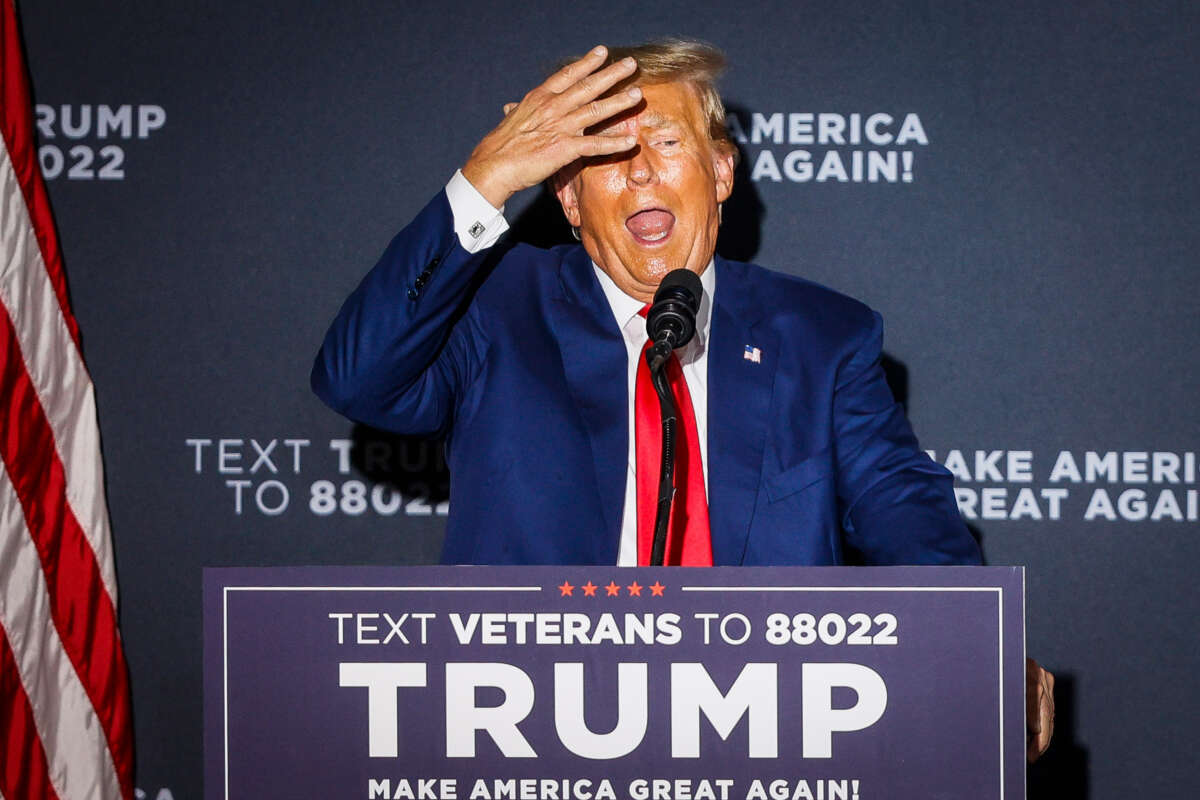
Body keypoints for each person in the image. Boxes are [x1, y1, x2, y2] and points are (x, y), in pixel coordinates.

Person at [311, 38, 1052, 760]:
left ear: (721, 172)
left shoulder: (822, 338)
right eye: (603, 154)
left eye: (665, 142)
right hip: (529, 740)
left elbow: (902, 508)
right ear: (567, 196)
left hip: (763, 739)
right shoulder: (496, 306)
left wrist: (972, 640)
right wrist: (487, 178)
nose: (637, 173)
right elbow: (358, 380)